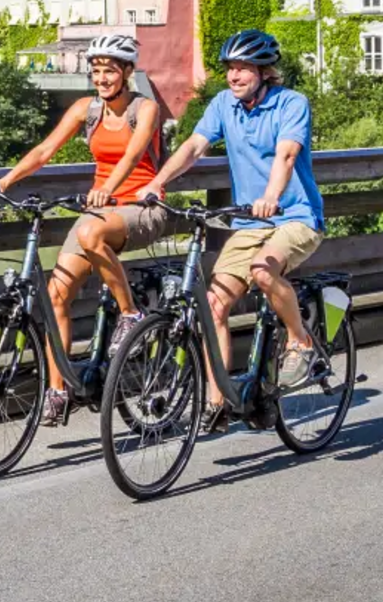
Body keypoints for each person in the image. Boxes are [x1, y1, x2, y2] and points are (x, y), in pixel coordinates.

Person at [137, 29, 324, 433]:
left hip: (295, 216)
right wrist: (159, 182)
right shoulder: (224, 105)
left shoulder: (291, 103)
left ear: (263, 71)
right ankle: (219, 402)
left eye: (242, 68)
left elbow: (287, 154)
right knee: (214, 304)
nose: (234, 76)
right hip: (248, 221)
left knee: (262, 270)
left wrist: (272, 196)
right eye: (230, 69)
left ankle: (300, 340)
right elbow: (194, 146)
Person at [0, 33, 171, 426]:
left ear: (128, 73)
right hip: (100, 213)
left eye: (110, 71)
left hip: (142, 208)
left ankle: (130, 313)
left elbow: (135, 152)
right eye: (96, 71)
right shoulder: (87, 110)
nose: (102, 79)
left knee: (89, 234)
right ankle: (58, 389)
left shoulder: (145, 108)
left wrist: (107, 189)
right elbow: (44, 151)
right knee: (55, 296)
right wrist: (6, 180)